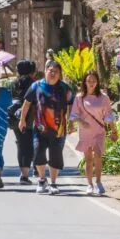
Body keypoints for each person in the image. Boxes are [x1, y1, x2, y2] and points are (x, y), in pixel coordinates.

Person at [18, 60, 74, 195]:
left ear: (60, 74)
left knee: (56, 156)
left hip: (59, 129)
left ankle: (53, 183)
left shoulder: (65, 87)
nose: (53, 73)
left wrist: (71, 121)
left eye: (56, 71)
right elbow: (26, 103)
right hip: (39, 128)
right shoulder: (36, 86)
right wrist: (22, 120)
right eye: (51, 70)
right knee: (38, 154)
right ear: (45, 71)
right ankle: (42, 180)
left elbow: (70, 104)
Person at [70, 70, 117, 195]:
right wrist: (81, 122)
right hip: (85, 131)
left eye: (94, 81)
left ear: (97, 82)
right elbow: (73, 115)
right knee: (88, 159)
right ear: (84, 82)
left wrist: (113, 130)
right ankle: (89, 184)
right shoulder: (79, 98)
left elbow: (109, 115)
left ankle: (99, 182)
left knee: (97, 155)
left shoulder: (103, 98)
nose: (91, 83)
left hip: (99, 131)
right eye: (89, 81)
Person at [8, 60, 37, 184]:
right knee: (28, 146)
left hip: (14, 117)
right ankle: (24, 175)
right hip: (28, 118)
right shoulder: (33, 84)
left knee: (21, 144)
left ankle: (23, 173)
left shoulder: (13, 83)